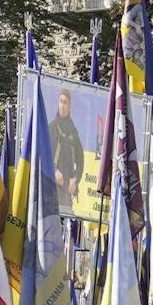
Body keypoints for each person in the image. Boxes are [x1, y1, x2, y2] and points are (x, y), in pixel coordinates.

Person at [48, 87, 87, 216]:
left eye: (65, 102)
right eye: (60, 101)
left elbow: (80, 161)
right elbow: (42, 154)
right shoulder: (51, 127)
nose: (62, 105)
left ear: (70, 106)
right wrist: (53, 171)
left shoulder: (73, 132)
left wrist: (75, 180)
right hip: (50, 186)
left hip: (66, 192)